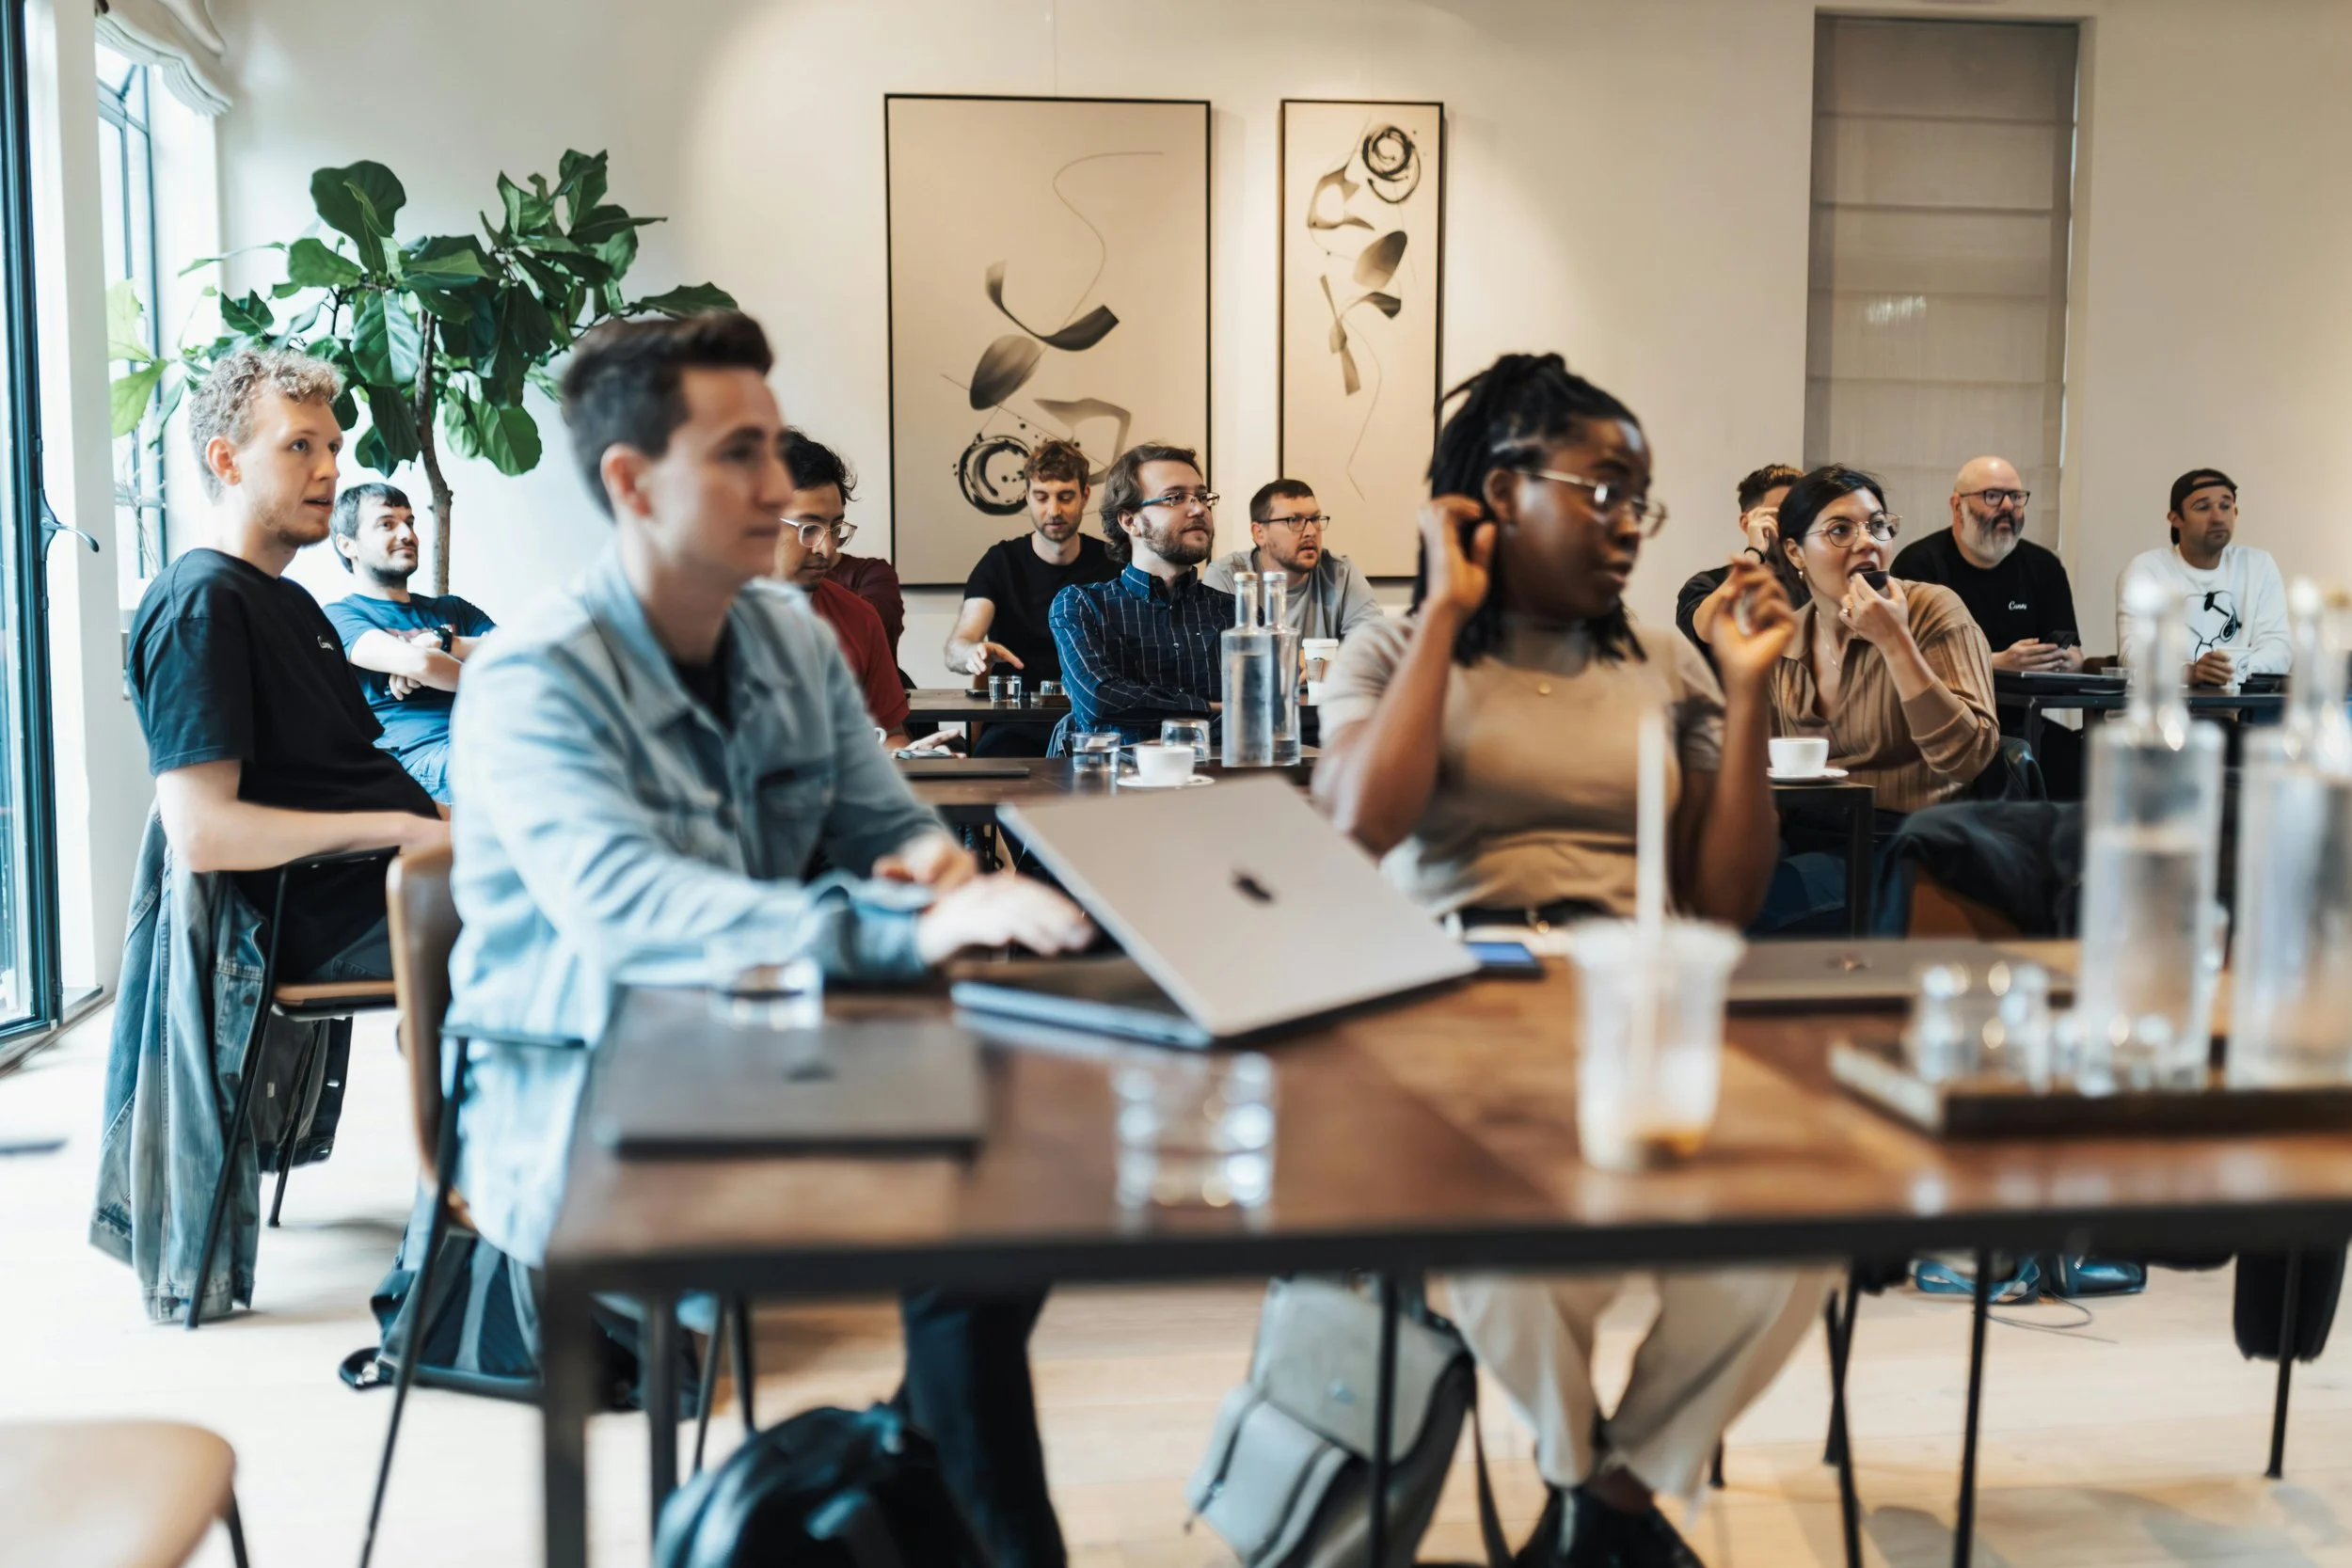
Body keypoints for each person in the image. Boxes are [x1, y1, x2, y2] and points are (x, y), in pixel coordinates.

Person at [443, 311, 1095, 1566]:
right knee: (974, 1210)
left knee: (1029, 1160)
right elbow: (628, 909)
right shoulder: (536, 675)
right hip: (577, 1088)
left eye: (780, 449)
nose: (783, 486)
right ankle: (967, 1510)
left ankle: (928, 1481)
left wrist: (944, 882)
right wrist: (903, 924)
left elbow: (888, 832)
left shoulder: (795, 635)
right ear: (630, 482)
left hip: (763, 1044)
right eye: (741, 452)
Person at [1313, 352, 1832, 1568]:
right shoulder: (1394, 646)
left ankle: (1610, 1496)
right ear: (1498, 489)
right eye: (1603, 490)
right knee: (1511, 1240)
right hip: (1456, 1008)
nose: (1631, 526)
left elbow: (1719, 900)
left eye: (1640, 498)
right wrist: (1447, 605)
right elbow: (1355, 832)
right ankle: (1585, 1476)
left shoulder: (1660, 660)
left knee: (1802, 1224)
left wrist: (1747, 694)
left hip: (1631, 1001)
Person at [126, 348, 448, 984]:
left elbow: (348, 775)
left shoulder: (294, 603)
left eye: (333, 446)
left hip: (396, 875)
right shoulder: (199, 604)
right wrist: (409, 830)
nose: (330, 469)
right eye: (300, 447)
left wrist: (459, 824)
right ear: (227, 461)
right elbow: (203, 832)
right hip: (336, 915)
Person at [1771, 465, 1998, 813]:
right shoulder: (1785, 639)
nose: (1867, 543)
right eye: (1840, 530)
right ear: (1794, 551)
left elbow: (1969, 758)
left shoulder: (1932, 610)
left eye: (1877, 526)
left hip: (1908, 840)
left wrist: (1896, 642)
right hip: (1810, 835)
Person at [1046, 443, 1232, 752]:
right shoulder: (1082, 605)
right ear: (1129, 521)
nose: (1198, 508)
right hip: (1106, 790)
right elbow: (1099, 700)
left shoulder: (1237, 614)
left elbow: (1261, 716)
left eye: (1202, 497)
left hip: (1217, 791)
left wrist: (1163, 741)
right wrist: (1210, 708)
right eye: (1175, 498)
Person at [323, 482, 497, 804]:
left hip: (492, 733)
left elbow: (516, 656)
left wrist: (445, 643)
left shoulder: (453, 609)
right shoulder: (339, 617)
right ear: (349, 545)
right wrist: (427, 661)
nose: (407, 534)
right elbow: (421, 664)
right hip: (426, 761)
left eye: (410, 522)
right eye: (387, 524)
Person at [946, 439, 1120, 754]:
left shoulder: (1113, 564)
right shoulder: (1001, 563)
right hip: (1015, 724)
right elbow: (957, 646)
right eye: (1041, 497)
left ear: (1085, 496)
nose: (1054, 510)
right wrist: (974, 653)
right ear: (1027, 496)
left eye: (1065, 497)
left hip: (1095, 722)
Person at [773, 429, 912, 741]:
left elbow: (890, 736)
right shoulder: (699, 622)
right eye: (809, 528)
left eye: (835, 528)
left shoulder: (858, 618)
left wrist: (912, 759)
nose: (827, 548)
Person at [1888, 457, 2084, 674]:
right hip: (1947, 706)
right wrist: (1996, 663)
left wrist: (2060, 660)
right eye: (1993, 496)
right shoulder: (1918, 565)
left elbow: (2075, 657)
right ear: (1957, 507)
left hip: (2027, 708)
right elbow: (1904, 658)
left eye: (2016, 497)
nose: (2008, 506)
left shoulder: (2045, 566)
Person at [2116, 467, 2290, 687]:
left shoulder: (2258, 565)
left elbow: (2278, 648)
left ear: (2235, 513)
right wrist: (2189, 673)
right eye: (2203, 507)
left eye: (2226, 506)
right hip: (2166, 709)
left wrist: (2227, 670)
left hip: (2238, 713)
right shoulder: (2147, 570)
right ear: (2176, 519)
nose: (2218, 517)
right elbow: (2133, 656)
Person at [1200, 479, 1384, 641]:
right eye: (1294, 520)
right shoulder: (1229, 576)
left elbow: (1375, 650)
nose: (1311, 531)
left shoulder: (1340, 573)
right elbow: (1217, 661)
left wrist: (1319, 661)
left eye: (1315, 519)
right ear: (1259, 533)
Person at [1675, 462, 1801, 668]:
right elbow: (1707, 629)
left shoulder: (1817, 585)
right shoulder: (1708, 584)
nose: (1792, 526)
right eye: (1780, 515)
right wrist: (1755, 553)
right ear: (1747, 523)